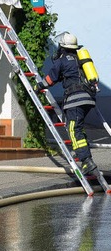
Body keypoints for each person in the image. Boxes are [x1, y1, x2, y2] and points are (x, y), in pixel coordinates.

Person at [37, 32, 98, 174]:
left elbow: (50, 79)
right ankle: (80, 151)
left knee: (73, 128)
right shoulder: (80, 59)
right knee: (79, 127)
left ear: (62, 47)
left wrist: (39, 86)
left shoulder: (62, 60)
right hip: (88, 98)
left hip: (74, 99)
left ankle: (86, 161)